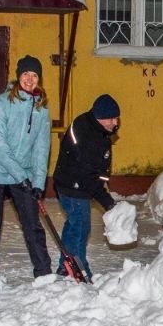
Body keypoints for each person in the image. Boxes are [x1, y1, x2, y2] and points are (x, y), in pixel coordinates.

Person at [0, 55, 52, 279]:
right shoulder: (2, 102)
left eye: (34, 75)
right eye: (26, 74)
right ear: (18, 76)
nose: (29, 79)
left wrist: (38, 182)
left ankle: (44, 273)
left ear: (39, 79)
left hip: (24, 173)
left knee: (32, 223)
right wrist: (21, 176)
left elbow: (41, 148)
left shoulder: (41, 109)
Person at [51, 93, 121, 280]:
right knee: (80, 227)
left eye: (116, 118)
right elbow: (89, 173)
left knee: (74, 225)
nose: (115, 122)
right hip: (74, 186)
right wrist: (106, 200)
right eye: (112, 119)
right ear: (100, 118)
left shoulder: (96, 128)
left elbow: (96, 170)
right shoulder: (87, 134)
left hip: (74, 183)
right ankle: (78, 270)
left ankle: (65, 266)